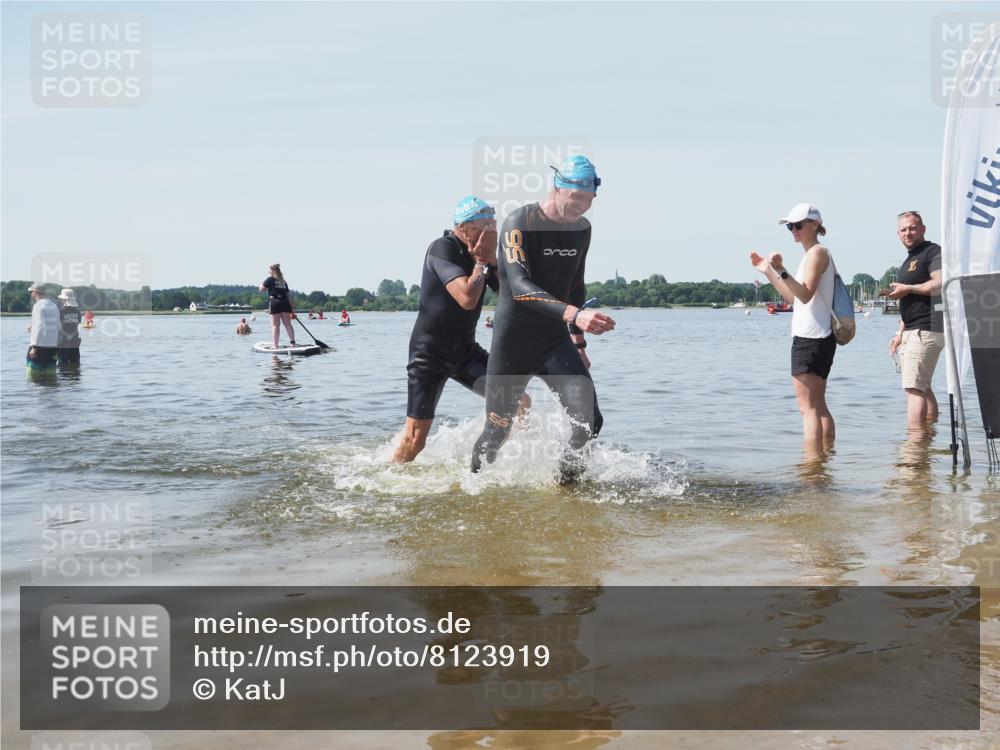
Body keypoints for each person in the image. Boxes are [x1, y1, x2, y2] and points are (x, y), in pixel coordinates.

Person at [470, 155, 615, 483]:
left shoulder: (582, 229)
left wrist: (578, 340)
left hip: (554, 343)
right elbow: (520, 287)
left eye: (588, 199)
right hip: (513, 345)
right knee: (497, 431)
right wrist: (575, 315)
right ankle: (471, 486)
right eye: (574, 197)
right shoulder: (520, 222)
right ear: (557, 188)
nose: (580, 206)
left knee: (589, 422)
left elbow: (575, 283)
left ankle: (565, 488)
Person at [392, 196, 509, 463]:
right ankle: (387, 478)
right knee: (415, 441)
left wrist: (492, 260)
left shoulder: (483, 252)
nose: (492, 232)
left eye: (494, 226)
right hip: (429, 356)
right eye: (486, 226)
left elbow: (507, 294)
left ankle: (498, 460)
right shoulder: (442, 248)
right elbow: (467, 298)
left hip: (465, 351)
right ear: (464, 227)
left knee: (517, 400)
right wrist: (481, 262)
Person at [751, 203, 837, 445]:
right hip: (821, 336)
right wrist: (769, 272)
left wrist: (781, 269)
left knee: (807, 408)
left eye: (798, 225)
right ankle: (824, 462)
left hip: (811, 337)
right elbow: (794, 298)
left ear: (815, 225)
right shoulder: (812, 255)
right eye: (790, 226)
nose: (794, 230)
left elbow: (806, 294)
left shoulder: (817, 253)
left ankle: (811, 468)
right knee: (818, 405)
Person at [887, 211, 944, 428]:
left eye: (912, 228)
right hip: (913, 329)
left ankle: (914, 447)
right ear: (898, 234)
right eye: (903, 229)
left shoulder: (932, 251)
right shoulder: (909, 259)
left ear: (922, 229)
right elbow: (907, 299)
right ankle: (927, 439)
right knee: (923, 386)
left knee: (913, 388)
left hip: (927, 328)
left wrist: (908, 288)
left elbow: (940, 283)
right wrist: (900, 333)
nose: (908, 233)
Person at [26, 283, 60, 376]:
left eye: (31, 292)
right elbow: (56, 325)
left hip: (40, 346)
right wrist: (33, 325)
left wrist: (34, 347)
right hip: (53, 346)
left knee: (33, 377)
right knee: (50, 377)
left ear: (36, 292)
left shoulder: (38, 306)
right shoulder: (54, 306)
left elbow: (40, 326)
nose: (31, 294)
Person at [260, 263, 296, 348]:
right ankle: (293, 343)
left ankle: (275, 346)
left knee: (275, 325)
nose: (268, 272)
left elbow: (261, 289)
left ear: (272, 271)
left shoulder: (270, 279)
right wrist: (292, 311)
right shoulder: (283, 281)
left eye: (269, 271)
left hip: (275, 302)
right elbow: (288, 296)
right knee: (288, 324)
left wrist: (261, 283)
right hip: (285, 303)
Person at [56, 288, 81, 366]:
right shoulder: (77, 312)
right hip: (75, 343)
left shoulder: (60, 311)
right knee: (76, 368)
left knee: (62, 369)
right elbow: (77, 326)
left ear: (64, 300)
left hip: (63, 344)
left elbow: (56, 326)